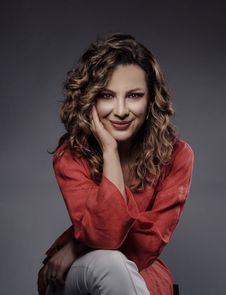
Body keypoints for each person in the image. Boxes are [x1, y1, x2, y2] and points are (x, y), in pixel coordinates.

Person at [37, 32, 194, 295]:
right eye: (107, 96)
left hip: (139, 270)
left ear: (151, 100)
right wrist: (110, 151)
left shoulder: (177, 156)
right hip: (74, 275)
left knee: (117, 266)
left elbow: (147, 245)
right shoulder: (71, 155)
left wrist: (76, 246)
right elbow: (105, 237)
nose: (121, 110)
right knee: (109, 262)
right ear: (90, 100)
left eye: (134, 95)